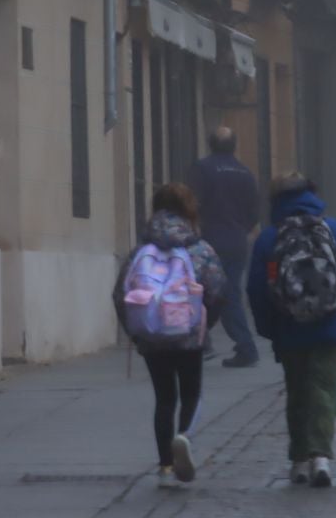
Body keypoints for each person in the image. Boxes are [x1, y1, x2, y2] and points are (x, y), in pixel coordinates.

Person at [247, 173, 336, 488]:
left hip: (289, 327)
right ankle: (321, 457)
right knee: (323, 390)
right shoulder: (334, 230)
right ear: (313, 195)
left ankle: (299, 460)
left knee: (297, 392)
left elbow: (257, 290)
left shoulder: (270, 238)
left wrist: (268, 329)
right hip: (331, 326)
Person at [113, 182, 228, 490]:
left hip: (152, 337)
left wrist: (136, 333)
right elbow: (217, 290)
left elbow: (119, 293)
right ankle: (184, 436)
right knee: (191, 393)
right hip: (189, 335)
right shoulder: (199, 249)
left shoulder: (142, 250)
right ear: (188, 210)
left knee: (164, 398)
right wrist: (207, 325)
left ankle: (164, 466)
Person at [187, 125, 262, 367]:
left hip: (209, 241)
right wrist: (240, 229)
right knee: (230, 295)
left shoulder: (202, 168)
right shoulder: (245, 172)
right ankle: (244, 346)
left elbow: (192, 204)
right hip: (237, 241)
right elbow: (254, 213)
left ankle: (203, 342)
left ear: (210, 143)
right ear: (234, 145)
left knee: (195, 291)